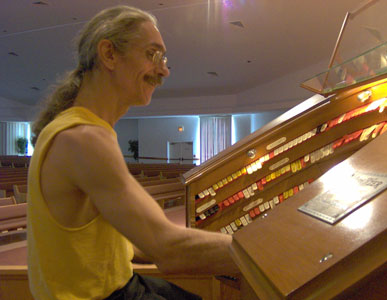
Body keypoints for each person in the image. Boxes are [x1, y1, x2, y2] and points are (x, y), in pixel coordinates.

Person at [27, 5, 239, 300]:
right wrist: (262, 250)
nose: (163, 70)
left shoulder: (86, 131)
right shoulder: (83, 139)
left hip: (117, 285)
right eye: (152, 55)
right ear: (109, 54)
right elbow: (168, 249)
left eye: (164, 59)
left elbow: (122, 245)